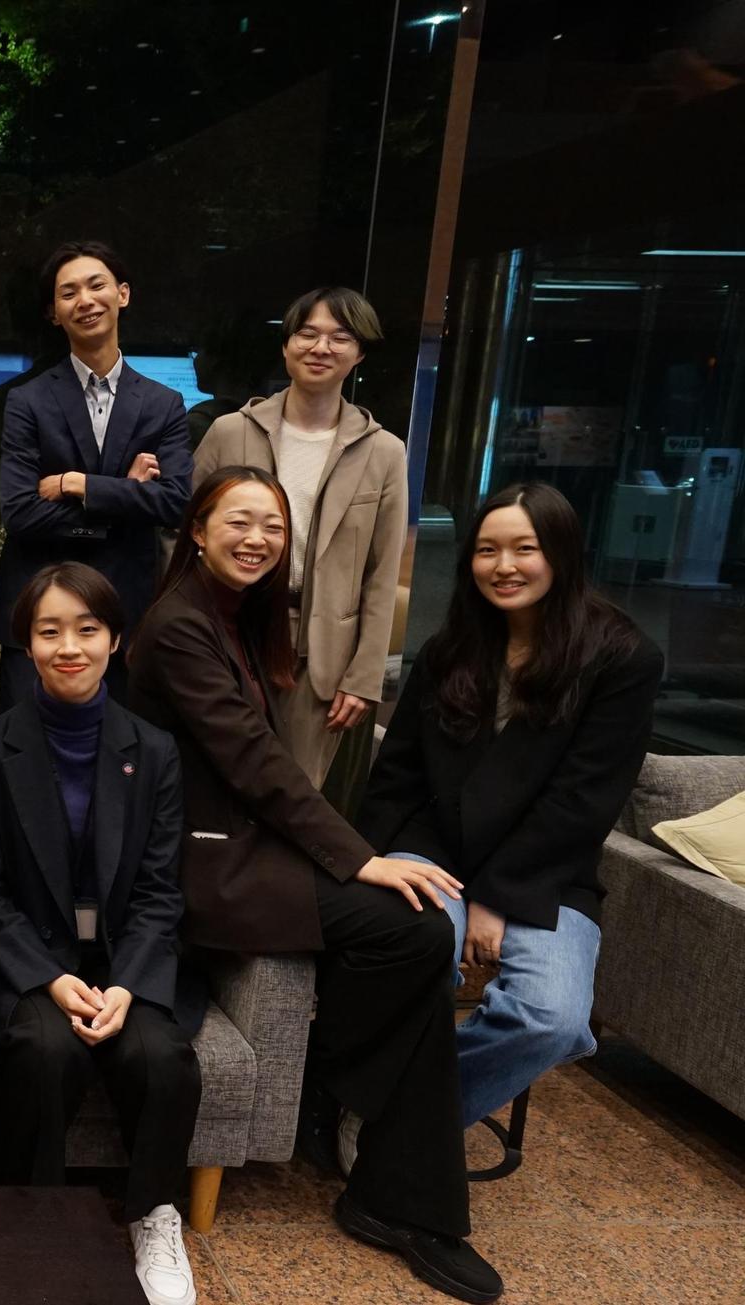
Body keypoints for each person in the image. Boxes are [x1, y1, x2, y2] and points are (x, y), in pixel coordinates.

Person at [126, 467, 501, 1304]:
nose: (258, 538)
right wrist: (359, 856)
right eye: (239, 521)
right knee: (412, 927)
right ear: (196, 530)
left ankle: (370, 1142)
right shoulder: (180, 624)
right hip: (197, 863)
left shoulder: (235, 613)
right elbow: (253, 762)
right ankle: (361, 1129)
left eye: (273, 525)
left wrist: (354, 856)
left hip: (240, 843)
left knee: (419, 926)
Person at [359, 483, 661, 1134]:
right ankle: (391, 1122)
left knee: (552, 1018)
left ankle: (400, 1122)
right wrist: (363, 865)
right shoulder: (450, 648)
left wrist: (496, 897)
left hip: (546, 870)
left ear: (561, 553)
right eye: (487, 550)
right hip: (434, 849)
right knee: (412, 957)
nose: (504, 565)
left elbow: (582, 801)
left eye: (525, 548)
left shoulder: (622, 657)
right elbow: (398, 776)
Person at [0, 563, 199, 1305]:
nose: (69, 647)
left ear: (115, 639)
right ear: (26, 644)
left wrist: (128, 984)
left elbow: (160, 890)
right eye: (49, 631)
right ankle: (33, 1215)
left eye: (87, 629)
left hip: (126, 958)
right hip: (35, 959)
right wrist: (49, 977)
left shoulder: (153, 750)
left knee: (162, 1056)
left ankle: (154, 1214)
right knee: (41, 1048)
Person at [191, 287, 408, 784]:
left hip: (322, 650)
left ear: (359, 353)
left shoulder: (383, 452)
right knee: (214, 779)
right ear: (287, 345)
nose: (321, 347)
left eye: (340, 337)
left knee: (294, 790)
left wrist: (364, 676)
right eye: (307, 333)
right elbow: (183, 532)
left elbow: (382, 572)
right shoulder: (231, 431)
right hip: (229, 632)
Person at [0, 240, 193, 709]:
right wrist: (125, 495)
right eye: (68, 292)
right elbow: (20, 512)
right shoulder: (27, 401)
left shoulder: (163, 404)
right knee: (26, 748)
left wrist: (78, 485)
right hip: (39, 611)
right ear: (53, 314)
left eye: (96, 285)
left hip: (125, 616)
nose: (85, 300)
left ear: (123, 293)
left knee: (120, 749)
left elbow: (175, 502)